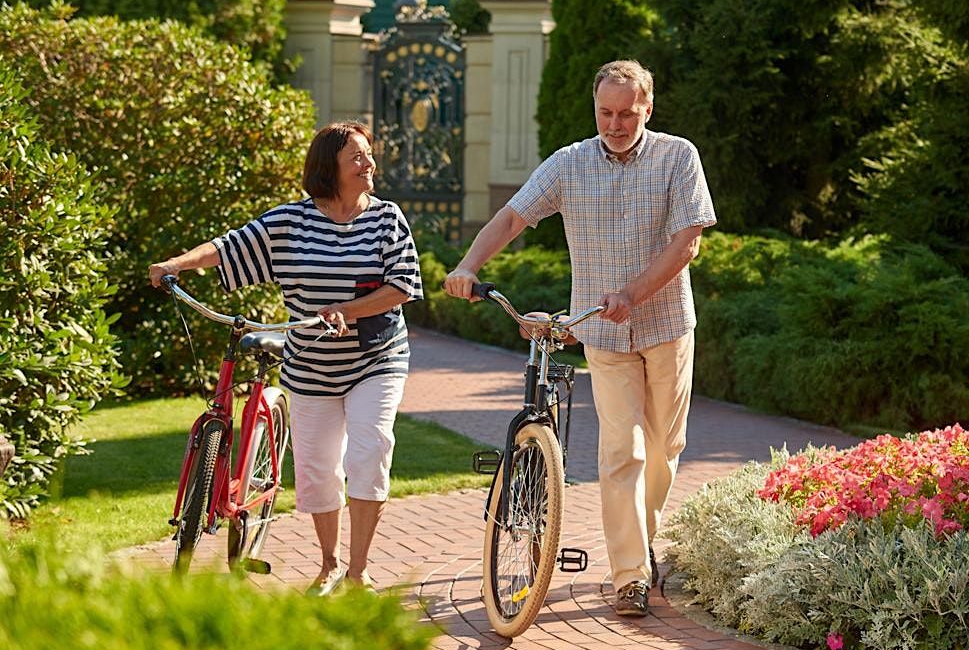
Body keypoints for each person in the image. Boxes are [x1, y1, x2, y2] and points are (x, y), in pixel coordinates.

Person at [443, 59, 716, 617]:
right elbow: (513, 217)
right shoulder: (569, 163)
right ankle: (630, 575)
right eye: (605, 113)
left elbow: (687, 242)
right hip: (600, 333)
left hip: (665, 326)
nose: (614, 124)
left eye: (626, 113)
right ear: (595, 108)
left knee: (665, 447)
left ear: (648, 108)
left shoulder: (678, 156)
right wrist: (468, 265)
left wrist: (634, 293)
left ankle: (641, 541)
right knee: (620, 449)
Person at [149, 121, 423, 595]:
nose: (368, 164)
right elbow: (229, 247)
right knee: (317, 469)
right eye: (356, 157)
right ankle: (329, 564)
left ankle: (358, 573)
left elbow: (401, 287)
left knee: (370, 448)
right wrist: (177, 264)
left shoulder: (386, 218)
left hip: (375, 358)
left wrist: (347, 310)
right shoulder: (291, 222)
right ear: (329, 167)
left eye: (368, 155)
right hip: (311, 363)